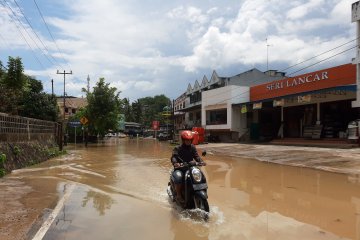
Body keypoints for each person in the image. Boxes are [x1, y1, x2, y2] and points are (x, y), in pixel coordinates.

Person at [170, 130, 206, 203]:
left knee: (200, 175)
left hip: (191, 167)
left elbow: (196, 156)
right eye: (187, 140)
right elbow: (173, 157)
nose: (188, 142)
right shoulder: (178, 148)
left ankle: (200, 190)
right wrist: (175, 163)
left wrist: (201, 161)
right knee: (178, 177)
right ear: (183, 140)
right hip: (180, 168)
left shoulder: (192, 147)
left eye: (190, 140)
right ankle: (179, 195)